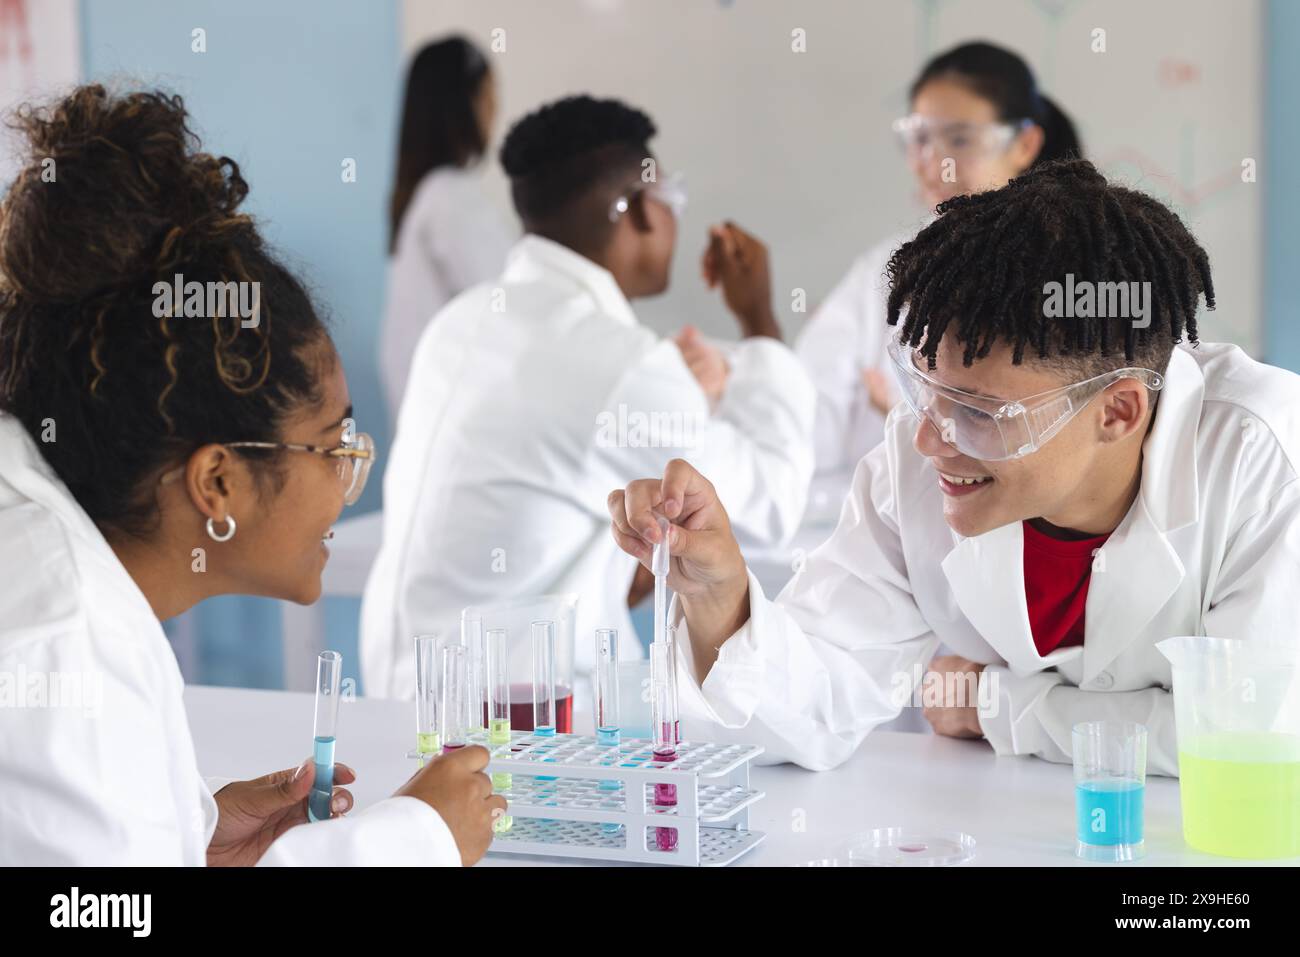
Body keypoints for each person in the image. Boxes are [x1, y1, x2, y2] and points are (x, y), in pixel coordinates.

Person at [606, 159, 1300, 778]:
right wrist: (719, 598)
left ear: (1116, 411)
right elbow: (811, 709)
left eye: (979, 411)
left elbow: (1252, 739)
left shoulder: (1261, 456)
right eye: (923, 389)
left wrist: (994, 704)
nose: (932, 440)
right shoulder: (921, 458)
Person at [0, 85, 504, 865]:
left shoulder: (61, 565)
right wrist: (414, 842)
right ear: (219, 483)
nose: (348, 476)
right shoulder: (60, 637)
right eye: (332, 444)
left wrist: (186, 834)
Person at [362, 95, 814, 697]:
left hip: (408, 698)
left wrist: (689, 398)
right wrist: (759, 320)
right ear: (636, 211)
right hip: (519, 726)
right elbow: (771, 507)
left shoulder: (461, 320)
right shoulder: (619, 363)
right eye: (669, 199)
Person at [797, 41, 1082, 482]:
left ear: (1025, 143)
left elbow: (1088, 440)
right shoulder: (887, 270)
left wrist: (925, 422)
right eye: (919, 138)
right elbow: (806, 429)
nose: (933, 162)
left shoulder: (1085, 267)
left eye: (960, 139)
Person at [382, 36, 515, 421]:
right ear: (463, 104)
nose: (494, 109)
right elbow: (512, 308)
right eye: (489, 94)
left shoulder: (424, 197)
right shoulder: (449, 198)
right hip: (455, 423)